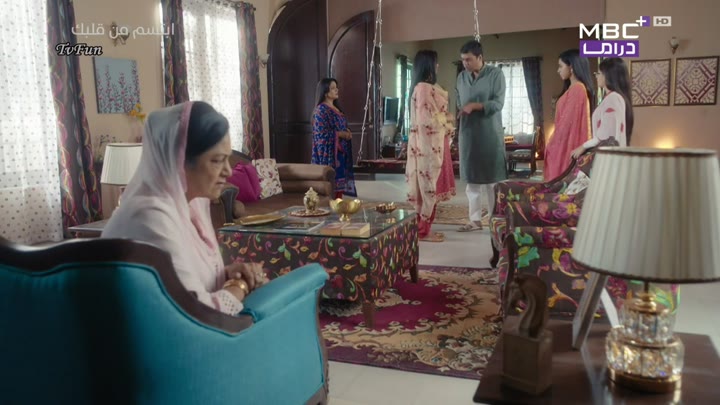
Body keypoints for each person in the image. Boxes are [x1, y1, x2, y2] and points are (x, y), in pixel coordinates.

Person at [102, 101, 267, 315]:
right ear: (179, 161)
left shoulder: (189, 207)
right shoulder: (148, 217)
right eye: (217, 160)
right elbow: (195, 313)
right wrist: (240, 286)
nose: (228, 171)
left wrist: (227, 275)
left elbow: (180, 286)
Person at [406, 50, 457, 243]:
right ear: (428, 65)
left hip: (434, 142)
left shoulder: (425, 87)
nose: (438, 66)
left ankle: (425, 228)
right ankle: (423, 231)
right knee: (428, 185)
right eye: (435, 63)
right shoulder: (423, 88)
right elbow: (426, 120)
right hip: (428, 145)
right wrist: (447, 119)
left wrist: (444, 120)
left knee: (430, 185)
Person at [455, 40, 506, 232]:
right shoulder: (461, 77)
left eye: (468, 59)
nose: (465, 63)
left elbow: (498, 103)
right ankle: (474, 220)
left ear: (480, 57)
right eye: (463, 60)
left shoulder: (496, 74)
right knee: (472, 182)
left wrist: (476, 106)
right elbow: (459, 101)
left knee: (492, 183)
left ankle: (494, 220)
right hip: (468, 134)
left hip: (489, 134)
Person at [544, 49, 595, 181]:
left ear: (571, 67)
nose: (558, 70)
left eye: (561, 66)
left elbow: (566, 126)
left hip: (567, 148)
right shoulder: (573, 89)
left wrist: (551, 144)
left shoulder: (578, 89)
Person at [571, 57, 633, 158]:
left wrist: (583, 146)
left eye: (598, 73)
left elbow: (605, 135)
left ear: (608, 75)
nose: (596, 76)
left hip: (609, 158)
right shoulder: (613, 98)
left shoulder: (613, 98)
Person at [311, 78, 357, 198]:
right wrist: (340, 134)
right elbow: (320, 134)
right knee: (332, 189)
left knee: (339, 187)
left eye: (336, 87)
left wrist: (347, 132)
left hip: (340, 152)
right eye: (333, 88)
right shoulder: (321, 110)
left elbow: (341, 126)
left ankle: (338, 205)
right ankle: (332, 207)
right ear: (325, 92)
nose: (336, 90)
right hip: (330, 156)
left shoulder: (336, 109)